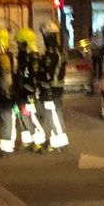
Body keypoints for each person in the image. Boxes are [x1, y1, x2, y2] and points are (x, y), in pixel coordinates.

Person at [37, 20, 70, 150]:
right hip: (49, 88)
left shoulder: (54, 53)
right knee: (48, 114)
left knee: (54, 114)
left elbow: (51, 72)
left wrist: (46, 85)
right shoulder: (54, 51)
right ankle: (48, 139)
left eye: (45, 36)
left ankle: (60, 141)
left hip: (52, 89)